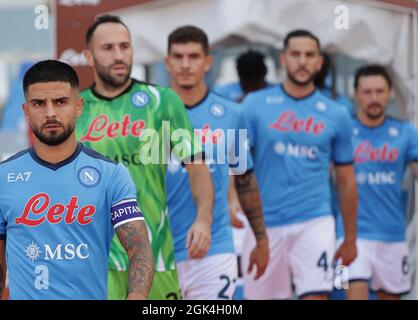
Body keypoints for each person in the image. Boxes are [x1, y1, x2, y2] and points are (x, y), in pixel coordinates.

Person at [0, 60, 154, 300]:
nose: (50, 112)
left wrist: (136, 297)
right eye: (39, 103)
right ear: (25, 111)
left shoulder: (112, 174)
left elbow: (139, 248)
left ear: (79, 106)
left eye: (61, 102)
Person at [76, 15, 214, 300]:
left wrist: (203, 219)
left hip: (155, 256)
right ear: (89, 56)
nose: (119, 55)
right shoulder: (74, 108)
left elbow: (196, 164)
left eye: (125, 47)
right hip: (93, 260)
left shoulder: (163, 100)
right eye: (108, 48)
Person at [241, 29, 358, 300]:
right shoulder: (253, 105)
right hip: (263, 225)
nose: (302, 61)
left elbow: (347, 179)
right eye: (295, 54)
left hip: (314, 220)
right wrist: (233, 200)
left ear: (319, 62)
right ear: (283, 59)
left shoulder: (337, 113)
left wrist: (350, 238)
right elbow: (237, 163)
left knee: (316, 295)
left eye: (309, 55)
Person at [164, 25, 269, 299]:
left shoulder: (232, 114)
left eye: (194, 56)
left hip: (215, 246)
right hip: (160, 250)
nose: (185, 65)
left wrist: (260, 239)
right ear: (167, 62)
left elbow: (245, 178)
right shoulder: (150, 114)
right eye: (178, 56)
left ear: (207, 62)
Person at [338, 65, 418, 300]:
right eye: (367, 92)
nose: (374, 98)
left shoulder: (405, 132)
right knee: (351, 293)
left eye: (380, 91)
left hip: (392, 235)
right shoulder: (343, 131)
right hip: (349, 236)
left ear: (390, 93)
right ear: (356, 94)